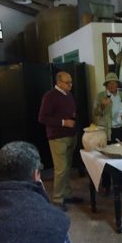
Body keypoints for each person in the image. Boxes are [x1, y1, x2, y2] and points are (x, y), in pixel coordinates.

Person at [39, 71, 83, 211]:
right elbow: (42, 118)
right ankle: (57, 199)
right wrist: (64, 122)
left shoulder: (68, 95)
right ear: (58, 82)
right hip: (58, 137)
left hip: (71, 135)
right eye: (67, 82)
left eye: (71, 82)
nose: (71, 85)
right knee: (60, 169)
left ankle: (67, 194)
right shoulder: (50, 96)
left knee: (67, 167)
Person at [93, 72, 122, 193]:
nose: (112, 85)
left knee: (121, 157)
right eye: (109, 83)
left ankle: (119, 184)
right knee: (106, 158)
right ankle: (106, 185)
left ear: (117, 84)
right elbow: (95, 113)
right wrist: (102, 106)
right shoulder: (101, 96)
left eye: (114, 82)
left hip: (121, 130)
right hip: (107, 132)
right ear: (106, 85)